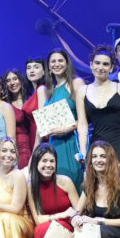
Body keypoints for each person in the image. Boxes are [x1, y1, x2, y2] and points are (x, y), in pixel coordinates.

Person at [27, 143, 81, 238]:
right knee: (42, 228)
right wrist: (62, 215)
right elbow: (38, 219)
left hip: (69, 225)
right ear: (36, 162)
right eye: (44, 161)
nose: (48, 165)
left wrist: (77, 227)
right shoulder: (31, 186)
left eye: (52, 161)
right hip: (47, 224)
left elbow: (79, 211)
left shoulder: (65, 181)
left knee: (51, 227)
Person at [41, 49, 86, 187]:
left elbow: (87, 117)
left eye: (60, 60)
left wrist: (66, 128)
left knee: (74, 181)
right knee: (58, 185)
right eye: (53, 61)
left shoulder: (76, 83)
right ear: (48, 66)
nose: (57, 64)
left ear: (67, 63)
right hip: (54, 144)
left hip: (72, 141)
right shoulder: (50, 90)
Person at [83, 46, 120, 164]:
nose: (100, 67)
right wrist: (83, 151)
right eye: (97, 63)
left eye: (105, 64)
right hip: (97, 147)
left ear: (111, 68)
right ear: (91, 65)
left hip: (119, 144)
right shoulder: (83, 91)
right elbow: (82, 125)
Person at [3, 69, 34, 168]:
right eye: (8, 80)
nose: (12, 83)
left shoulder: (30, 99)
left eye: (15, 79)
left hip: (31, 142)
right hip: (14, 144)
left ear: (21, 80)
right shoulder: (5, 103)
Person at [21, 58, 48, 162]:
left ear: (44, 71)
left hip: (40, 139)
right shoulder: (33, 92)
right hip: (33, 136)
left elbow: (42, 122)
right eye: (29, 68)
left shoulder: (42, 89)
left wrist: (35, 151)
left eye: (36, 67)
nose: (32, 70)